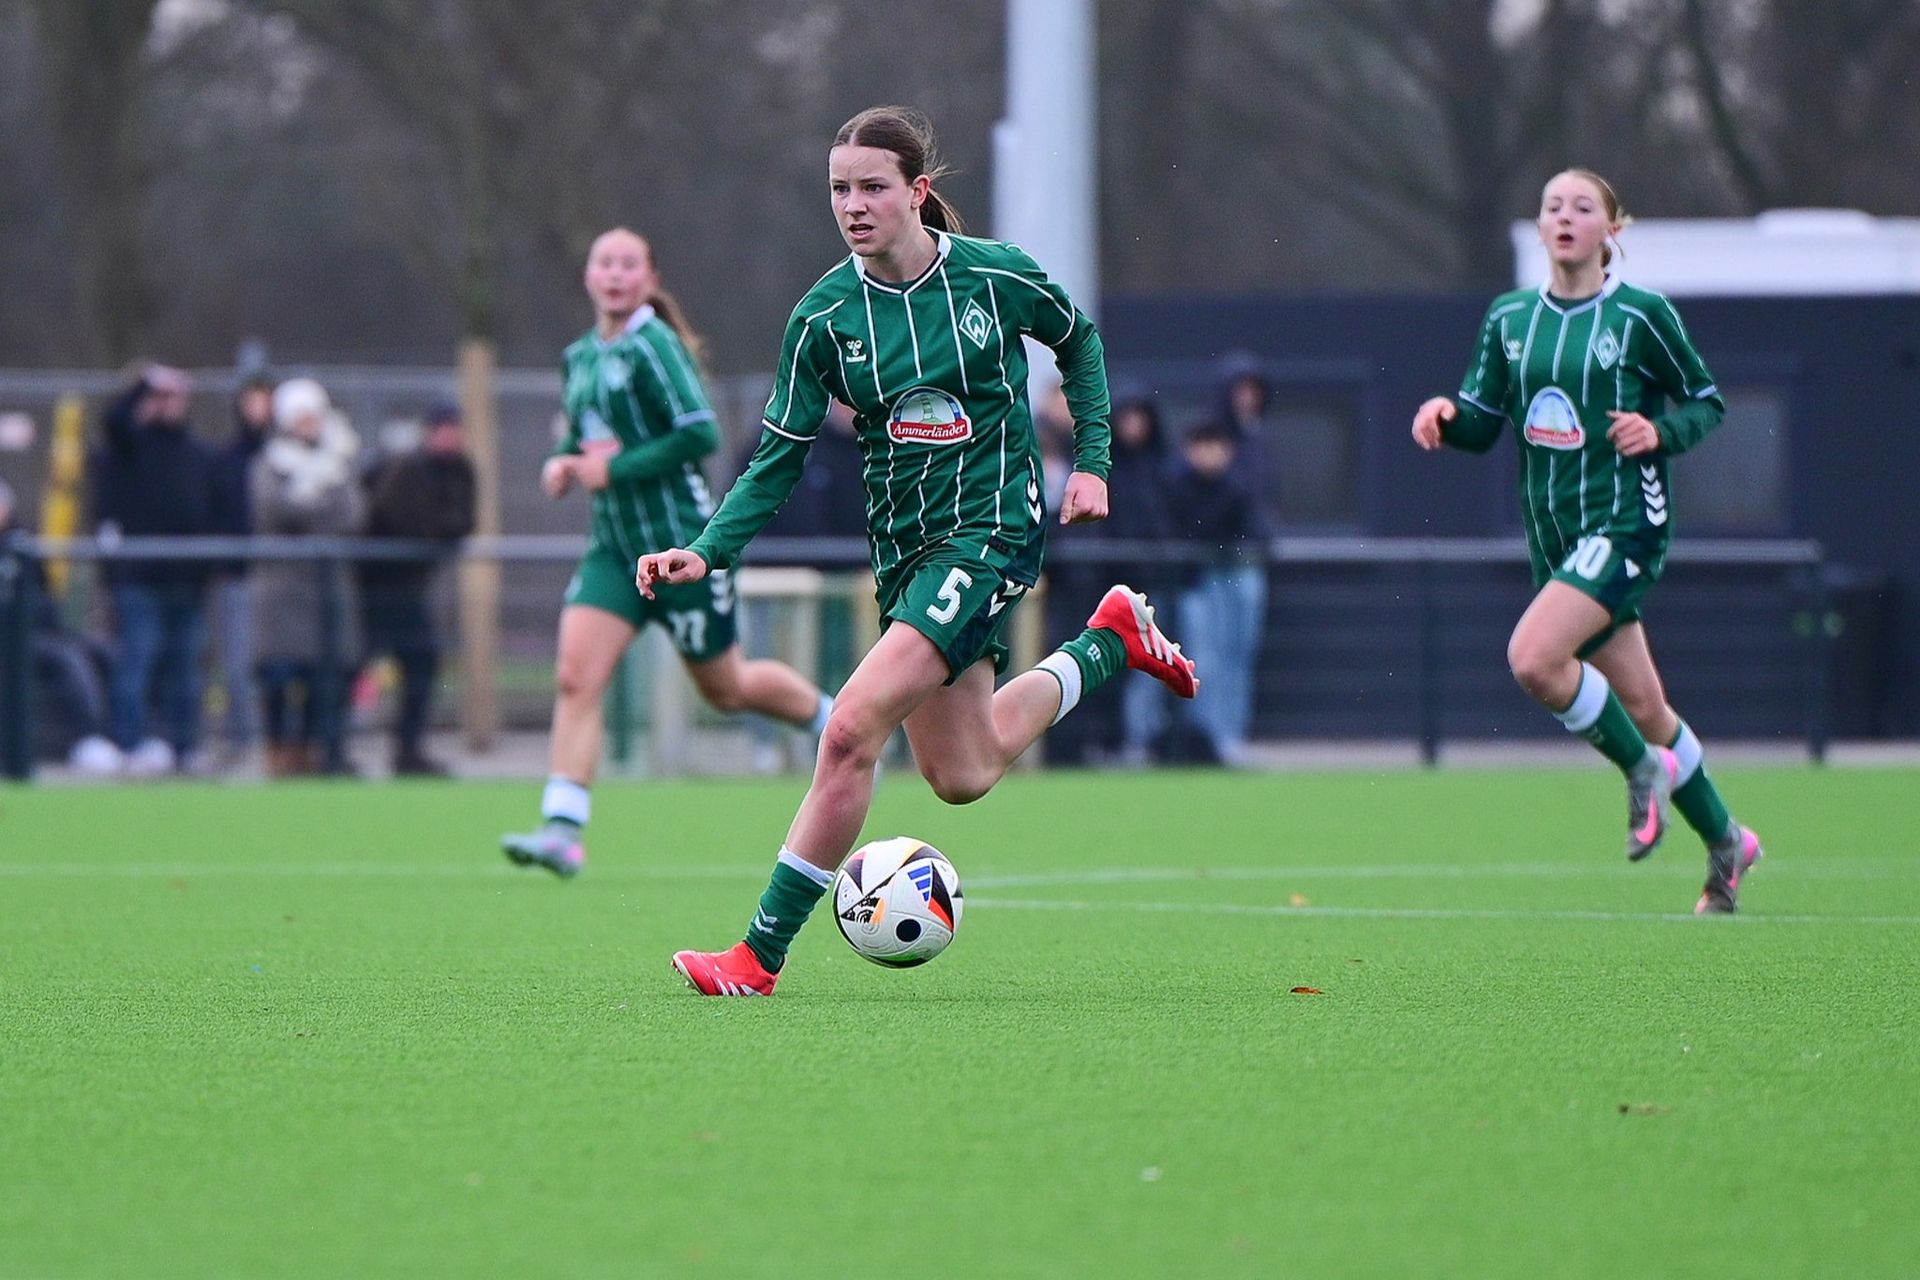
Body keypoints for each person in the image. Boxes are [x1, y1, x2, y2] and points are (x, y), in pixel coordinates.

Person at [638, 105, 1198, 997]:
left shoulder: (992, 277)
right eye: (839, 189)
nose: (853, 205)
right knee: (963, 772)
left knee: (849, 731)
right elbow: (776, 458)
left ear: (917, 192)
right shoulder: (824, 317)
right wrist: (708, 551)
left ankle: (757, 957)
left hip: (991, 532)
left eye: (872, 187)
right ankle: (1109, 641)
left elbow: (1079, 342)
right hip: (904, 554)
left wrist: (1092, 462)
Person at [1411, 167, 1762, 915]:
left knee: (1534, 658)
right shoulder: (1509, 318)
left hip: (1626, 522)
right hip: (1557, 540)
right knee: (1647, 708)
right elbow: (1481, 425)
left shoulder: (1641, 315)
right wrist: (1445, 416)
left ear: (1612, 230)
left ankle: (1643, 772)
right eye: (1553, 207)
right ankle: (1728, 842)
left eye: (1582, 207)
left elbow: (1706, 402)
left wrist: (1659, 431)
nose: (1565, 217)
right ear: (1540, 228)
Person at [499, 227, 834, 875]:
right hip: (613, 551)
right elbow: (579, 435)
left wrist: (615, 468)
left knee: (728, 689)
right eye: (605, 262)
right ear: (589, 275)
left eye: (629, 264)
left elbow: (700, 432)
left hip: (680, 548)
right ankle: (563, 830)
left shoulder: (656, 346)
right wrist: (560, 463)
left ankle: (832, 721)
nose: (615, 274)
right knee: (575, 677)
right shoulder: (579, 357)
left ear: (649, 279)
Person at [92, 364, 223, 775]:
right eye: (160, 397)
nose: (169, 405)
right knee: (137, 662)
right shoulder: (130, 448)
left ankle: (185, 747)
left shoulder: (198, 453)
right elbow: (114, 421)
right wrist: (146, 384)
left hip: (187, 581)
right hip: (139, 579)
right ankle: (129, 744)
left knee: (187, 670)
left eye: (174, 397)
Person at [250, 377, 365, 777]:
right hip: (282, 592)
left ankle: (319, 750)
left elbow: (351, 515)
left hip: (328, 590)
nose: (309, 425)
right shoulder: (269, 464)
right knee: (280, 675)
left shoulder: (338, 462)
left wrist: (313, 503)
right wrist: (317, 504)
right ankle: (279, 751)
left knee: (327, 675)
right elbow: (277, 511)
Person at [357, 400, 476, 776]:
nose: (450, 437)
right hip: (376, 587)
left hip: (411, 589)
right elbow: (406, 520)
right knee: (350, 665)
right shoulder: (408, 469)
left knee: (422, 662)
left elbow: (463, 522)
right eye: (444, 428)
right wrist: (438, 529)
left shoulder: (460, 470)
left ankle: (408, 750)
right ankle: (326, 748)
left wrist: (438, 529)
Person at [1164, 418, 1271, 767]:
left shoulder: (1242, 483)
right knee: (1203, 662)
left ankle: (1229, 740)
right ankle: (1206, 742)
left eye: (1215, 445)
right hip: (1196, 581)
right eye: (1201, 445)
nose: (1209, 454)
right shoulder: (1176, 485)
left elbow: (1258, 530)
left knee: (1236, 660)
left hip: (1238, 576)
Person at [0, 477, 119, 773]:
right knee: (69, 660)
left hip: (38, 629)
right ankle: (88, 737)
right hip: (11, 637)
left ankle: (121, 738)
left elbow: (43, 596)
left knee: (107, 653)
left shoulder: (23, 543)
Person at [210, 370, 276, 767]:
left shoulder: (284, 454)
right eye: (252, 400)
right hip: (238, 575)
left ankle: (278, 742)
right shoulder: (227, 458)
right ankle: (242, 741)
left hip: (282, 579)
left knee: (277, 665)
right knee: (238, 664)